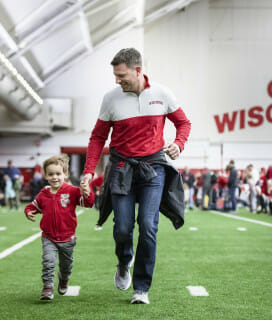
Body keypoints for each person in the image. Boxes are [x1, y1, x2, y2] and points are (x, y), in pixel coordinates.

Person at [80, 48, 191, 305]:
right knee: (122, 228)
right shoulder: (111, 98)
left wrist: (179, 143)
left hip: (153, 168)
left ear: (138, 70)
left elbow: (183, 123)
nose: (117, 81)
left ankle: (141, 288)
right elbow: (97, 137)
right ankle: (124, 261)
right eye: (116, 76)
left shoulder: (162, 94)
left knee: (149, 226)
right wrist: (88, 172)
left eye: (121, 75)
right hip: (121, 168)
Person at [24, 155, 94, 300]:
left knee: (66, 265)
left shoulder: (72, 191)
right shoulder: (43, 194)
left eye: (58, 174)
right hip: (48, 237)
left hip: (68, 238)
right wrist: (28, 211)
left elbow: (88, 203)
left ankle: (64, 279)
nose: (54, 177)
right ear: (45, 175)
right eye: (50, 174)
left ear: (65, 174)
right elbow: (34, 206)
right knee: (48, 261)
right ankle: (47, 287)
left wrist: (87, 193)